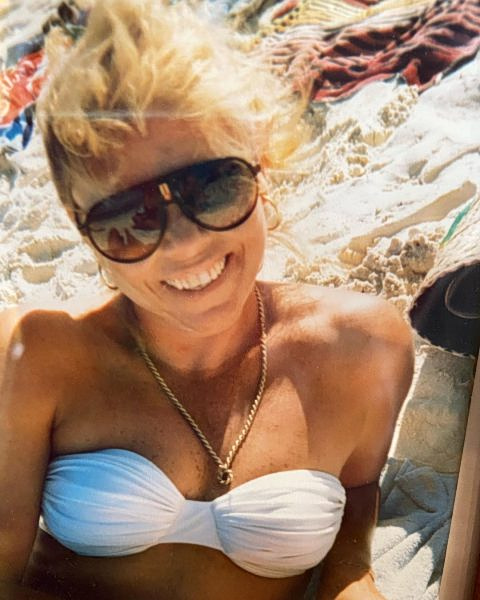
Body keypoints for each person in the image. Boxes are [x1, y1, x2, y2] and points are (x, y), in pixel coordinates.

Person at [0, 1, 414, 599]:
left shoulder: (365, 346)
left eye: (214, 188)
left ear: (261, 165)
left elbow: (358, 490)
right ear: (80, 226)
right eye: (128, 219)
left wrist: (352, 577)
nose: (185, 244)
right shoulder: (32, 355)